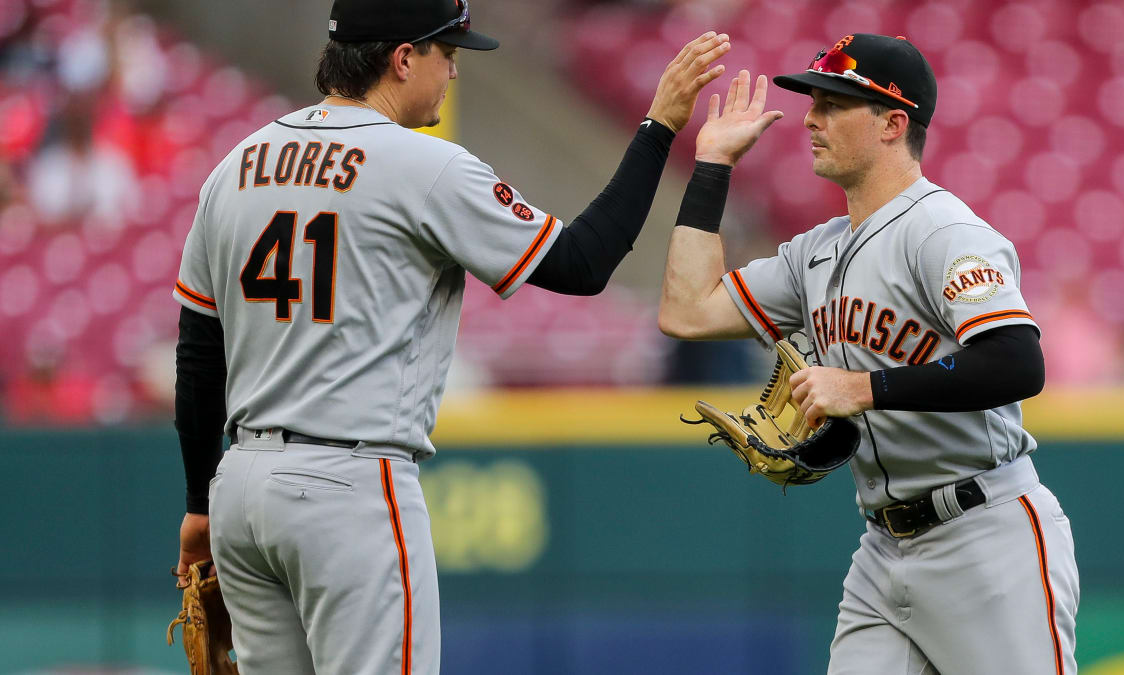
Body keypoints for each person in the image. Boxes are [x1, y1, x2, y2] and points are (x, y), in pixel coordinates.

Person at [170, 0, 733, 670]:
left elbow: (198, 353)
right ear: (403, 57)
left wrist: (201, 504)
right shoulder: (422, 165)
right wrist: (660, 125)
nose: (455, 73)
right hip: (350, 485)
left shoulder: (236, 164)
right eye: (449, 53)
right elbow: (584, 263)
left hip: (241, 488)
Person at [658, 34, 1079, 675]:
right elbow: (686, 311)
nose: (809, 118)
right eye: (813, 101)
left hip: (986, 537)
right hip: (883, 549)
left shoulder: (944, 232)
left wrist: (865, 388)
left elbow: (1018, 364)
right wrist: (712, 165)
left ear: (892, 123)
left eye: (833, 103)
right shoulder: (813, 252)